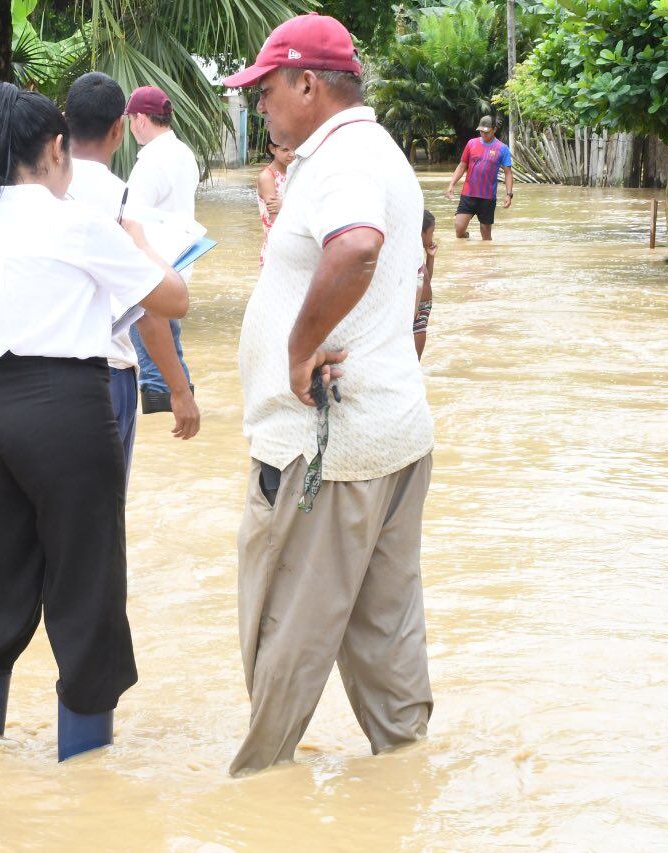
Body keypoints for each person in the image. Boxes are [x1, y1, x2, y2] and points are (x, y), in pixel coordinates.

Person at [0, 82, 188, 762]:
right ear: (52, 148)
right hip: (64, 408)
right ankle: (83, 773)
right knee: (85, 584)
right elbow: (174, 297)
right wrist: (135, 237)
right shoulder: (77, 221)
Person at [221, 13, 435, 776]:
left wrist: (299, 346)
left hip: (327, 453)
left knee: (283, 635)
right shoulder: (376, 152)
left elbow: (357, 246)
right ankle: (404, 778)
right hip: (392, 435)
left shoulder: (341, 159)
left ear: (309, 84)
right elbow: (403, 266)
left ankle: (258, 796)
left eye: (267, 89)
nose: (260, 105)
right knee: (386, 637)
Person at [64, 71, 200, 471]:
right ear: (120, 128)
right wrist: (181, 392)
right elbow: (153, 309)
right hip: (112, 361)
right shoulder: (123, 194)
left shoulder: (36, 193)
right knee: (103, 518)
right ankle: (165, 392)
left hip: (44, 373)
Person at [125, 85, 200, 415]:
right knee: (170, 345)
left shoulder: (151, 161)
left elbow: (130, 220)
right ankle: (184, 400)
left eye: (130, 120)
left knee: (151, 353)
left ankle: (167, 410)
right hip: (180, 264)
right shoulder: (183, 153)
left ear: (141, 119)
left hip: (153, 267)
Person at [445, 116, 514, 240]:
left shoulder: (502, 148)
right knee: (459, 229)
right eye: (481, 131)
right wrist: (452, 184)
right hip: (468, 194)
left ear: (495, 129)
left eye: (486, 132)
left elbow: (508, 173)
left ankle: (487, 257)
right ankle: (467, 238)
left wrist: (509, 194)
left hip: (488, 197)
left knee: (486, 236)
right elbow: (462, 165)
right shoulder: (471, 143)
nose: (483, 134)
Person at [257, 138, 294, 267]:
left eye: (294, 148)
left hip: (294, 244)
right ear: (272, 149)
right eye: (285, 150)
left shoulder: (295, 172)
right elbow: (275, 220)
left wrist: (285, 205)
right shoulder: (268, 177)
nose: (292, 154)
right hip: (277, 247)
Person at [415, 210, 437, 359]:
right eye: (431, 232)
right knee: (414, 361)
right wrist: (415, 308)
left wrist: (430, 257)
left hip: (420, 309)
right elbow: (417, 283)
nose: (432, 237)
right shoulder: (412, 252)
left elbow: (426, 279)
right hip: (416, 312)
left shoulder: (417, 251)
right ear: (421, 232)